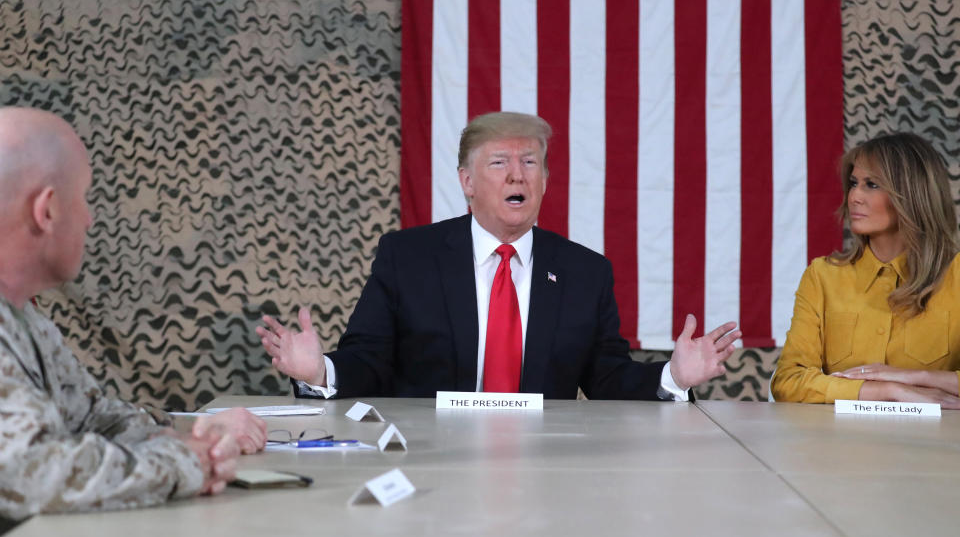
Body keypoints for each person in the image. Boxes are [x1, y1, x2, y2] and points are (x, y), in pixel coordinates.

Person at [257, 112, 739, 400]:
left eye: (530, 163)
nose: (517, 176)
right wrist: (321, 372)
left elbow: (607, 377)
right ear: (467, 182)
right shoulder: (408, 257)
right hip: (432, 460)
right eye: (499, 163)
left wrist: (673, 378)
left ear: (545, 182)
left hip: (544, 469)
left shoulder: (585, 272)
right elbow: (370, 359)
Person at [0, 107, 268, 523]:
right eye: (83, 198)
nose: (88, 219)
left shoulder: (25, 320)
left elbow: (92, 417)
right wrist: (186, 463)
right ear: (47, 209)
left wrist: (190, 439)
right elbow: (28, 472)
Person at [772, 132, 960, 408]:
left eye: (872, 184)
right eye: (853, 184)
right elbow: (788, 381)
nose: (855, 196)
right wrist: (887, 391)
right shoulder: (822, 276)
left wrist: (915, 377)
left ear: (912, 194)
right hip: (838, 447)